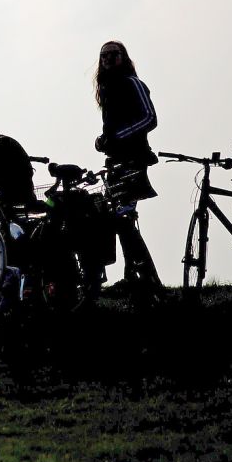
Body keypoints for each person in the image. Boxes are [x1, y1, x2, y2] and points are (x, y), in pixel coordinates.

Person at [93, 41, 164, 298]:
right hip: (115, 161)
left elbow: (150, 118)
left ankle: (147, 278)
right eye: (104, 55)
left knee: (123, 218)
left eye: (114, 54)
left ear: (124, 57)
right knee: (120, 219)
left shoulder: (132, 83)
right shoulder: (107, 87)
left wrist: (118, 137)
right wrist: (103, 141)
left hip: (133, 160)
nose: (109, 59)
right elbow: (111, 128)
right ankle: (134, 276)